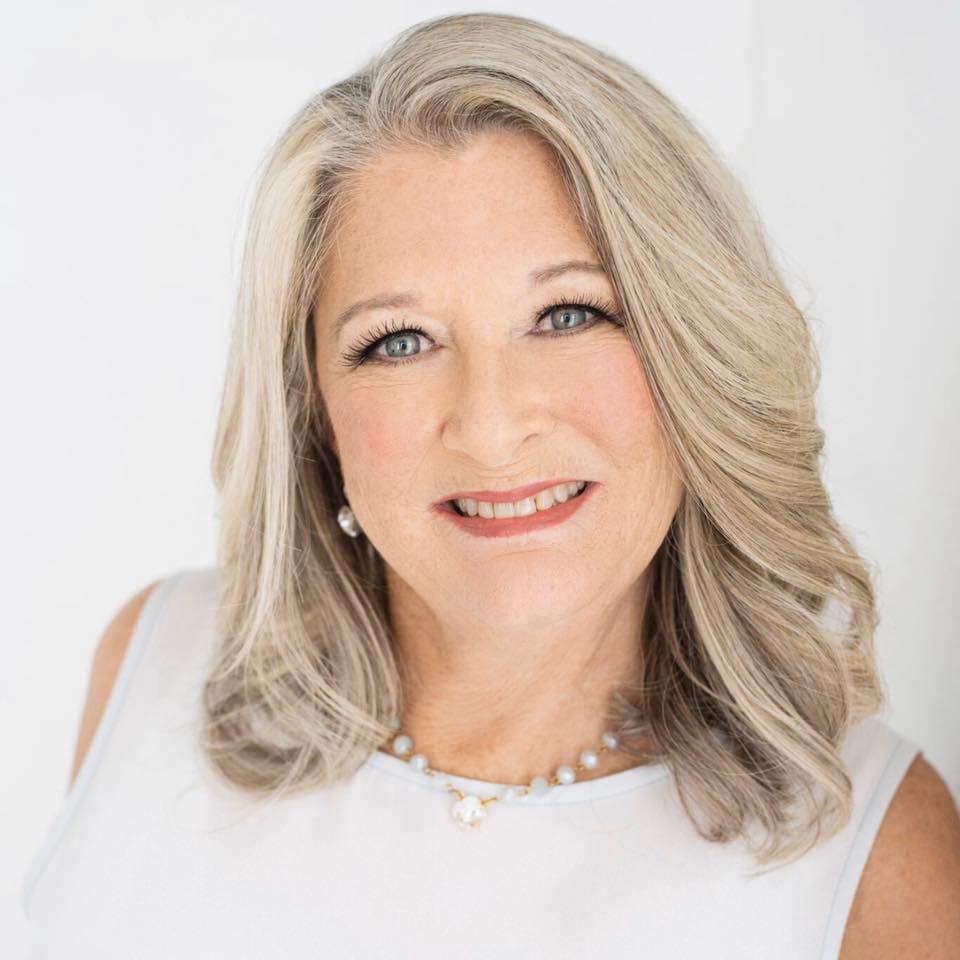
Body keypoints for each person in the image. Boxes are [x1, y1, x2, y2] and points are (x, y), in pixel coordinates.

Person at [20, 11, 960, 958]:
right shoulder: (154, 672)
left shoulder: (876, 853)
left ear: (699, 359)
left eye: (567, 313)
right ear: (315, 415)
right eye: (399, 341)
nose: (492, 424)